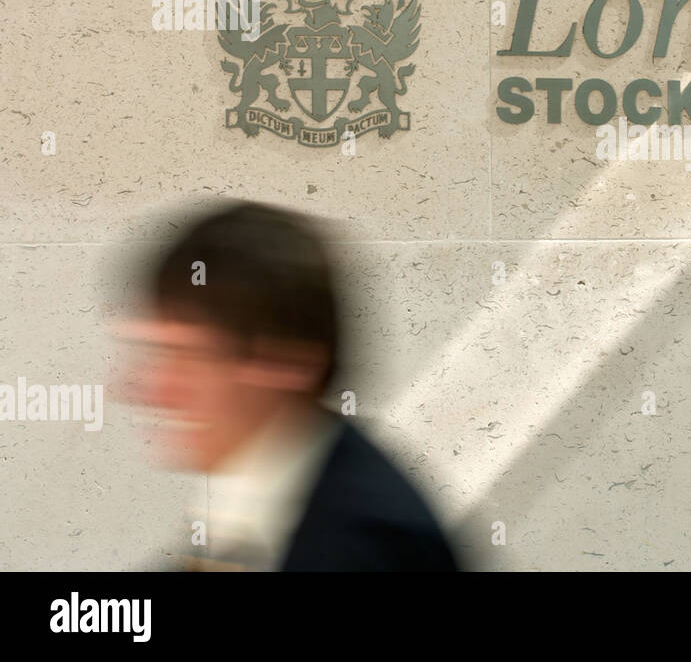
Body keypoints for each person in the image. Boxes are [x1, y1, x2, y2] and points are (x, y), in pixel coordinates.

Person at [123, 199, 458, 571]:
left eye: (187, 357)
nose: (152, 390)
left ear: (287, 361)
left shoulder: (371, 547)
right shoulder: (268, 484)